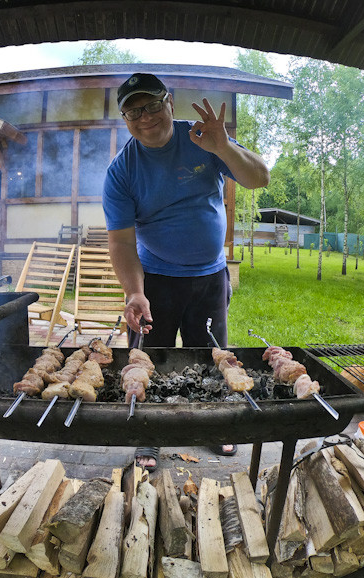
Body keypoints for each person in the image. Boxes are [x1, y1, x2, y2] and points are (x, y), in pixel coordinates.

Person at [102, 73, 270, 470]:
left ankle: (215, 427)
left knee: (211, 358)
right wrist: (134, 293)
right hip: (156, 281)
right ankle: (149, 434)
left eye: (153, 105)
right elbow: (122, 243)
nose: (146, 118)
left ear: (170, 102)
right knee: (149, 360)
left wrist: (225, 147)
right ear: (125, 119)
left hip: (210, 278)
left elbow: (258, 178)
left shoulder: (202, 138)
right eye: (134, 111)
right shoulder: (121, 170)